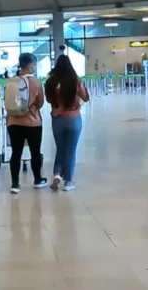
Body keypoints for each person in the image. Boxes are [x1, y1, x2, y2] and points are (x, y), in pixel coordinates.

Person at [45, 55, 89, 191]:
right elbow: (86, 97)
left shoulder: (51, 82)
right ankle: (68, 181)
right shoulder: (75, 81)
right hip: (73, 118)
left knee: (60, 148)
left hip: (57, 119)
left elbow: (48, 99)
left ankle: (57, 174)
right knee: (71, 150)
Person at [5, 53, 46, 193]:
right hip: (32, 123)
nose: (35, 67)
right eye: (34, 64)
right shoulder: (35, 82)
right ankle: (38, 179)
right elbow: (40, 103)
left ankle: (15, 184)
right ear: (30, 65)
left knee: (16, 153)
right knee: (35, 152)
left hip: (13, 122)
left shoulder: (11, 81)